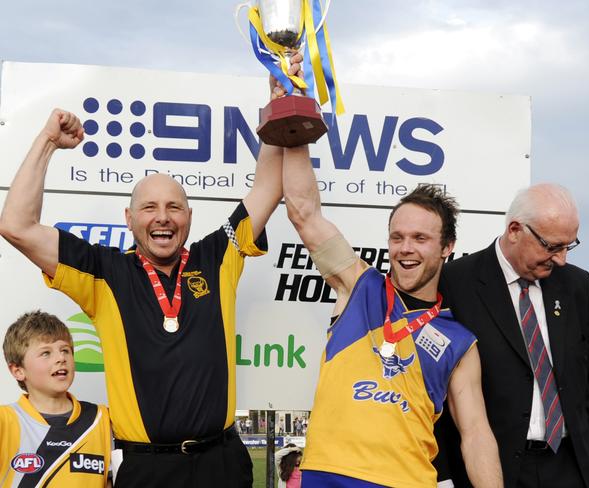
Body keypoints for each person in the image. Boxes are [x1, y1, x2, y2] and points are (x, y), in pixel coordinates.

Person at [0, 58, 303, 487]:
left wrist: (278, 101)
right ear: (128, 218)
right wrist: (48, 141)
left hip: (221, 462)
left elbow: (268, 189)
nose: (162, 218)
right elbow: (17, 225)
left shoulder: (216, 257)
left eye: (174, 207)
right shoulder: (103, 272)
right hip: (148, 470)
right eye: (149, 207)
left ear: (189, 216)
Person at [282, 143, 502, 487]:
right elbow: (304, 213)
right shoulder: (358, 286)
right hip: (328, 476)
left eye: (420, 238)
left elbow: (475, 435)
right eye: (397, 237)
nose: (405, 248)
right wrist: (294, 125)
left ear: (447, 247)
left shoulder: (459, 342)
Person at [436, 183, 589, 488]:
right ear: (515, 230)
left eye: (569, 246)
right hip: (492, 470)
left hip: (569, 467)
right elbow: (437, 394)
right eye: (552, 246)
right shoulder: (455, 283)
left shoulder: (579, 286)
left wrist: (588, 462)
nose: (562, 258)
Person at [0, 311, 111, 487]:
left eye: (65, 350)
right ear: (18, 370)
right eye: (46, 353)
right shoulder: (5, 420)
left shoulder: (101, 418)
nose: (61, 358)